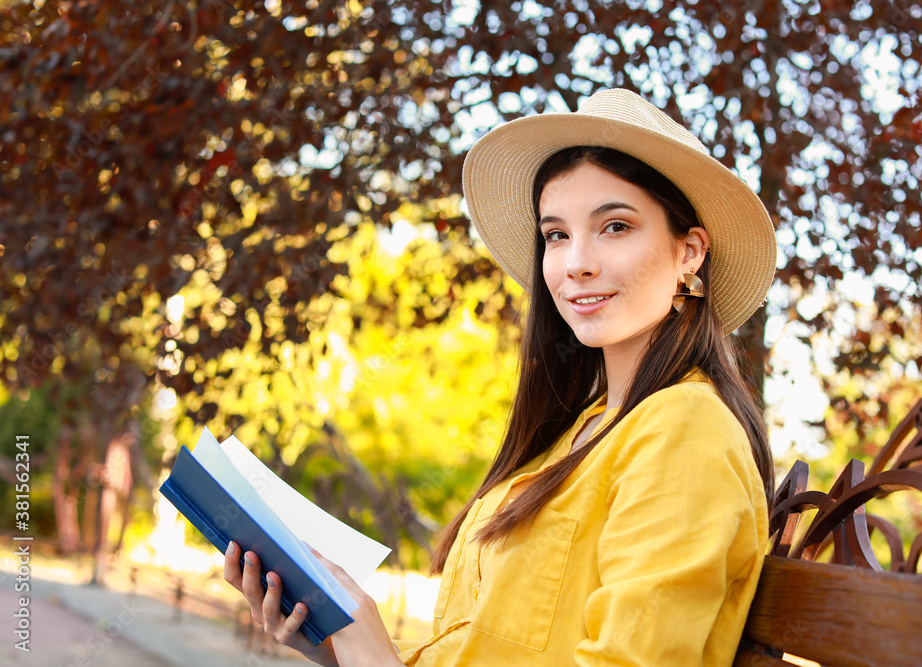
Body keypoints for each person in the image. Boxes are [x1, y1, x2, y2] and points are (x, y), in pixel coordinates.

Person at [223, 88, 777, 666]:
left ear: (690, 251)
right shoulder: (585, 430)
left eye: (614, 226)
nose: (574, 262)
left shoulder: (686, 426)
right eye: (557, 235)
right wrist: (334, 635)